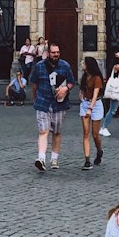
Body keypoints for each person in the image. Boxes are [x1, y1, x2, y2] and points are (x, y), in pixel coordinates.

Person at [31, 41, 76, 172]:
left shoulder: (65, 66)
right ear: (48, 53)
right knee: (43, 131)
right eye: (53, 52)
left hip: (59, 104)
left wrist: (65, 89)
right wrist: (36, 99)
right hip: (43, 103)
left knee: (56, 132)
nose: (56, 54)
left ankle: (54, 158)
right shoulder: (39, 66)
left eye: (57, 52)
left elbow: (72, 82)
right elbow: (34, 84)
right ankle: (41, 159)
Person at [79, 56, 105, 170]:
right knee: (85, 132)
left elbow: (95, 95)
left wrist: (90, 108)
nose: (81, 64)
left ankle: (99, 151)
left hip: (96, 105)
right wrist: (82, 96)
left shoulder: (97, 78)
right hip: (85, 104)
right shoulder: (84, 76)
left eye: (83, 63)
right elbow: (83, 89)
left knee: (95, 134)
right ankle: (87, 160)